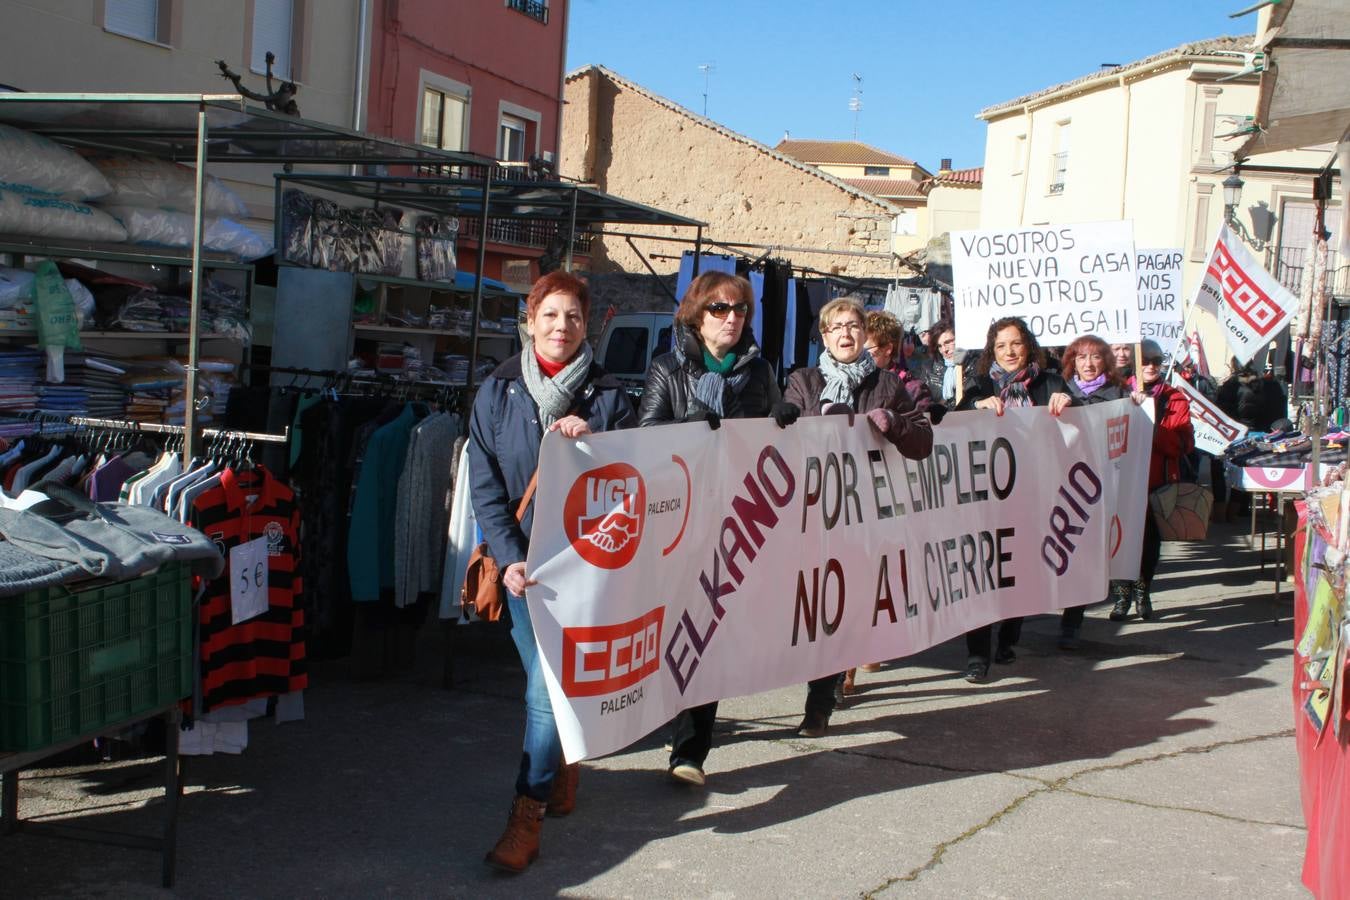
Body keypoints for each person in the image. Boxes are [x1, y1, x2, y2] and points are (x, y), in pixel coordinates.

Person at [469, 271, 637, 872]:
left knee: (544, 693)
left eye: (572, 316)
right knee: (547, 684)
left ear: (585, 324)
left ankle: (526, 814)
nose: (561, 327)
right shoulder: (498, 391)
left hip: (585, 570)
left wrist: (595, 441)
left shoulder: (610, 395)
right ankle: (565, 761)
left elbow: (633, 478)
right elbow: (486, 487)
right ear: (530, 319)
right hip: (523, 573)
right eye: (550, 315)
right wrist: (510, 557)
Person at [638, 271, 794, 786]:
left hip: (733, 522)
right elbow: (646, 436)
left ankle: (689, 754)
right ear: (696, 316)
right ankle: (667, 713)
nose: (732, 319)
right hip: (678, 522)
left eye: (741, 310)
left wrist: (785, 418)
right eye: (720, 309)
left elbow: (774, 438)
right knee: (666, 632)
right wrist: (692, 426)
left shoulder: (758, 370)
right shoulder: (667, 368)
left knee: (704, 634)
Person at [786, 298, 934, 735]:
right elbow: (784, 431)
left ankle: (820, 700)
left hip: (864, 515)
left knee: (841, 606)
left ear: (866, 335)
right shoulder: (803, 380)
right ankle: (820, 678)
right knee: (808, 606)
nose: (846, 333)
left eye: (854, 325)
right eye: (836, 327)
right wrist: (804, 420)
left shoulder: (887, 384)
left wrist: (894, 422)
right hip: (811, 513)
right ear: (825, 336)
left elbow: (923, 442)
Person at [956, 316, 1074, 682]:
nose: (1009, 351)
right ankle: (978, 654)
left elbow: (1085, 419)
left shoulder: (1049, 382)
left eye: (1016, 344)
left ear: (1028, 346)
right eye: (1001, 345)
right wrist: (975, 407)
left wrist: (1069, 400)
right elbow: (952, 419)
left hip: (1035, 493)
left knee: (1018, 569)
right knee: (981, 570)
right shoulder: (979, 384)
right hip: (986, 498)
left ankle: (1009, 635)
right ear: (992, 349)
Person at [1057, 335, 1131, 649]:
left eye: (1096, 357)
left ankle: (1071, 623)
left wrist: (1138, 408)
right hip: (1058, 480)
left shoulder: (1119, 395)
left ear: (1106, 361)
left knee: (1083, 552)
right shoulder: (1059, 392)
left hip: (1097, 485)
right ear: (1071, 361)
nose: (1088, 364)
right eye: (1081, 357)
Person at [1113, 338, 1194, 621]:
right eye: (1145, 361)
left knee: (1150, 540)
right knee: (1120, 538)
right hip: (1122, 479)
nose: (1150, 366)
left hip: (1156, 481)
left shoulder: (1174, 398)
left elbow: (1183, 444)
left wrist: (1152, 420)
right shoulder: (1119, 392)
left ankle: (1142, 591)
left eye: (1156, 361)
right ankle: (1121, 596)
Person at [864, 309, 937, 423]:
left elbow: (924, 431)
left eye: (866, 350)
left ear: (887, 349)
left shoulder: (912, 388)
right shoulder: (853, 383)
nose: (860, 355)